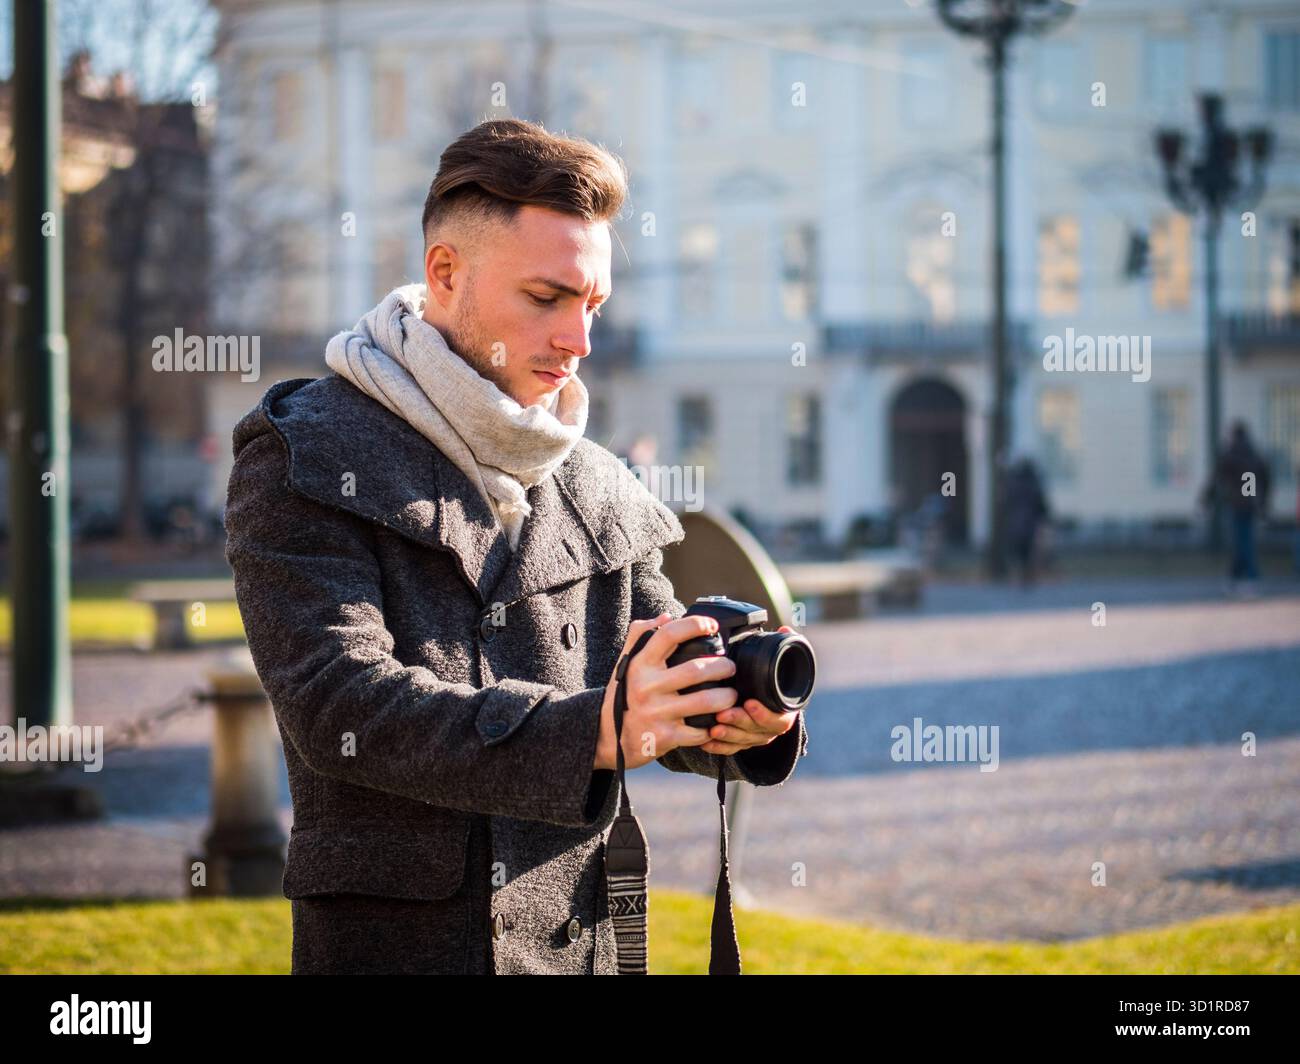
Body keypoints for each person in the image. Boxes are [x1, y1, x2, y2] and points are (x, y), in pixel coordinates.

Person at [222, 119, 808, 975]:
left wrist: (731, 715)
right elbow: (338, 707)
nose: (580, 340)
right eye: (547, 298)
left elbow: (650, 684)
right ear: (445, 274)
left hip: (583, 949)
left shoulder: (600, 484)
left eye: (593, 304)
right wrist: (597, 733)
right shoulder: (309, 450)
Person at [1214, 421, 1271, 596]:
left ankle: (1251, 578)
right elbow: (1265, 478)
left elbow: (1216, 478)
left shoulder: (1231, 454)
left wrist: (1206, 499)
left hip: (1237, 504)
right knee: (1243, 541)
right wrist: (1262, 502)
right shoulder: (1254, 454)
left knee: (1242, 543)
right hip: (1251, 504)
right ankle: (1235, 580)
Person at [1003, 456, 1050, 588]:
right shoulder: (1033, 484)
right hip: (1030, 526)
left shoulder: (1013, 483)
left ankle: (1018, 577)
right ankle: (1028, 577)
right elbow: (1041, 505)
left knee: (1017, 553)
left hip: (1015, 525)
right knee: (1028, 553)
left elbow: (1007, 503)